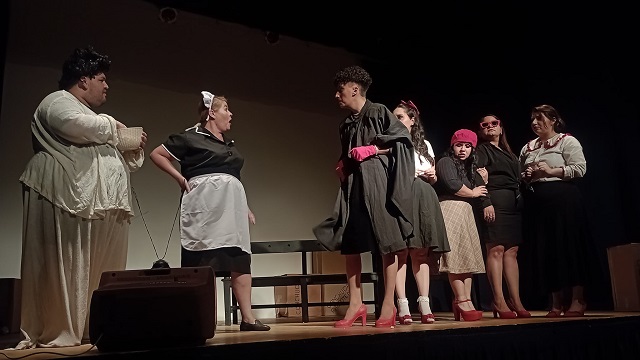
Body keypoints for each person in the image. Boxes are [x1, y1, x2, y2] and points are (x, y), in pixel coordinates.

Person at [14, 46, 146, 349]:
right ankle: (61, 328)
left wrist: (129, 144)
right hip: (67, 196)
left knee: (99, 269)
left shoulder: (92, 117)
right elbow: (73, 125)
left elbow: (116, 155)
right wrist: (114, 127)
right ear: (83, 80)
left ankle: (93, 327)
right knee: (70, 264)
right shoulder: (58, 101)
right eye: (102, 79)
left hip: (98, 204)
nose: (107, 85)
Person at [149, 91, 270, 331]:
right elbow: (157, 154)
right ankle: (201, 318)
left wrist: (244, 206)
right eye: (226, 109)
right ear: (212, 113)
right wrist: (180, 179)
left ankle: (248, 318)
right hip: (205, 207)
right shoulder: (190, 137)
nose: (230, 113)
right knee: (203, 261)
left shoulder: (228, 145)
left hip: (231, 209)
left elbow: (233, 177)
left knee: (239, 260)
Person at [313, 66, 415, 328]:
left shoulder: (379, 111)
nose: (337, 95)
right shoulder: (345, 124)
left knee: (387, 242)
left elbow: (401, 140)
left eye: (340, 89)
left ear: (354, 89)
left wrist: (374, 149)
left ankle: (388, 304)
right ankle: (356, 304)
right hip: (355, 186)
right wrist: (342, 164)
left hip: (379, 184)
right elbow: (348, 152)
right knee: (352, 242)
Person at [519, 104, 590, 317]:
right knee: (546, 250)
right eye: (532, 119)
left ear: (553, 120)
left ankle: (577, 300)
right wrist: (527, 175)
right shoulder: (528, 147)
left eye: (539, 118)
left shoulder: (567, 141)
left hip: (564, 203)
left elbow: (580, 168)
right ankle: (556, 302)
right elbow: (522, 173)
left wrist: (552, 170)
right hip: (539, 206)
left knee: (569, 247)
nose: (534, 123)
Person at [391, 100, 450, 324]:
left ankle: (424, 303)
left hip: (424, 197)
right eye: (394, 117)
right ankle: (403, 305)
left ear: (412, 120)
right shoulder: (392, 142)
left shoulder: (424, 144)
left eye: (400, 117)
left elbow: (432, 177)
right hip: (403, 195)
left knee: (421, 252)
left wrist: (432, 176)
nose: (396, 121)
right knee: (401, 252)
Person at [475, 115, 530, 319]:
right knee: (496, 249)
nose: (490, 126)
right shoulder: (482, 150)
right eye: (484, 125)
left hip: (513, 203)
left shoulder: (508, 152)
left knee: (512, 251)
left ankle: (515, 300)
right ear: (480, 131)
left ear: (501, 127)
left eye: (494, 123)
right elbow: (477, 174)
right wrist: (486, 201)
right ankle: (498, 299)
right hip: (495, 201)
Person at [433, 129, 488, 322]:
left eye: (467, 146)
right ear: (452, 146)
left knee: (466, 257)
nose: (463, 149)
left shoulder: (468, 167)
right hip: (450, 209)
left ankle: (466, 301)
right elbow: (452, 184)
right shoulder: (445, 161)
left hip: (464, 211)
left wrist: (482, 181)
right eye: (459, 145)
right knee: (455, 256)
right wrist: (473, 193)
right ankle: (461, 298)